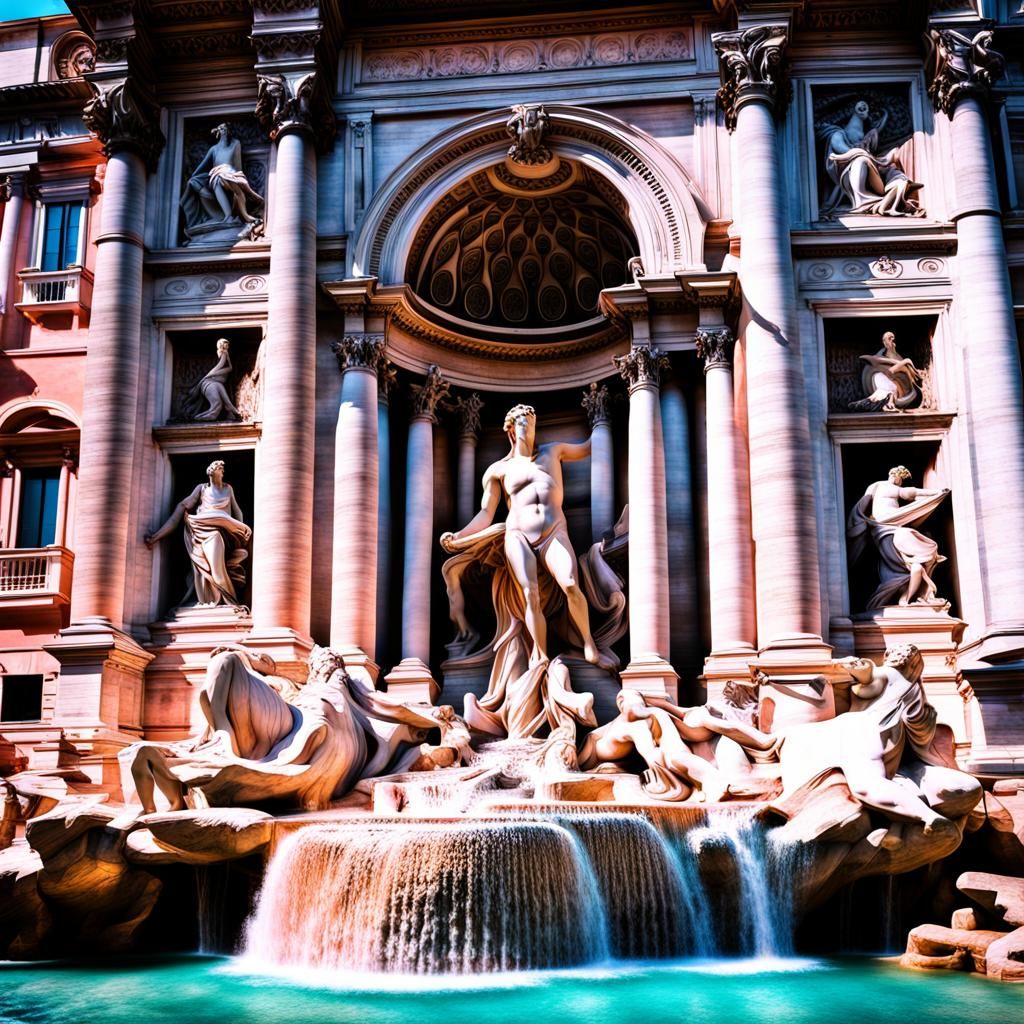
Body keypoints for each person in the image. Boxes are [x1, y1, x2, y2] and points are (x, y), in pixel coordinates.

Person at [441, 403, 612, 670]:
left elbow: (590, 445)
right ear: (511, 429)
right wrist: (460, 535)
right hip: (517, 534)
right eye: (522, 421)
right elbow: (486, 513)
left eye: (531, 422)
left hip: (554, 530)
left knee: (569, 583)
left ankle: (589, 641)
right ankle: (540, 654)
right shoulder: (499, 470)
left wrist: (604, 416)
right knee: (529, 592)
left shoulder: (553, 451)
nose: (528, 427)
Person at [145, 459, 252, 607]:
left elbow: (237, 510)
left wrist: (240, 532)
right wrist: (157, 536)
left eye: (221, 469)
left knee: (216, 568)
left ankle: (230, 602)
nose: (222, 471)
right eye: (219, 469)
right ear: (212, 472)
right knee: (204, 568)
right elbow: (182, 506)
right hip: (200, 531)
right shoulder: (202, 489)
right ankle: (210, 600)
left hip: (218, 532)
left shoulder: (228, 489)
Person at [847, 466, 949, 609]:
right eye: (901, 480)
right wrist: (935, 492)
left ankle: (905, 598)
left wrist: (860, 521)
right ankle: (906, 594)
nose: (900, 483)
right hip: (887, 527)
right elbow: (911, 493)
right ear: (895, 476)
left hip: (884, 529)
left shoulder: (874, 486)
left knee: (911, 566)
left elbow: (862, 505)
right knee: (924, 548)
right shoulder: (886, 486)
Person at [818, 99, 923, 218]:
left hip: (872, 171)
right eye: (860, 105)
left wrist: (885, 115)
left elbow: (876, 130)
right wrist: (861, 154)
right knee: (861, 160)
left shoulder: (868, 139)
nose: (864, 106)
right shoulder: (837, 134)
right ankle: (861, 202)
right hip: (848, 171)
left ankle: (900, 189)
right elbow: (842, 150)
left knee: (891, 166)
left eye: (866, 106)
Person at [180, 123, 263, 237]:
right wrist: (192, 177)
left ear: (229, 131)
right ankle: (228, 216)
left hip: (231, 173)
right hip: (216, 175)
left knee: (228, 182)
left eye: (226, 129)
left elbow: (238, 165)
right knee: (215, 179)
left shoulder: (235, 144)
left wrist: (238, 175)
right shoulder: (214, 149)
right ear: (218, 132)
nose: (224, 131)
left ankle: (243, 215)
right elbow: (202, 166)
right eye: (222, 129)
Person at [849, 331, 922, 412]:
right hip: (881, 377)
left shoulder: (897, 356)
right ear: (884, 342)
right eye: (889, 338)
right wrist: (906, 361)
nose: (892, 340)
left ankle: (869, 403)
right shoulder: (881, 355)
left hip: (896, 385)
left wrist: (906, 366)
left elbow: (902, 372)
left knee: (891, 389)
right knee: (891, 387)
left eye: (892, 338)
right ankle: (887, 404)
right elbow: (890, 370)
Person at [181, 338, 241, 422]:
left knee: (219, 405)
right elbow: (221, 365)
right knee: (217, 405)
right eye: (225, 343)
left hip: (215, 382)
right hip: (211, 382)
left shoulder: (225, 353)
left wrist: (212, 373)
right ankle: (196, 418)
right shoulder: (224, 353)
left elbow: (229, 368)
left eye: (227, 343)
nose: (227, 345)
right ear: (221, 345)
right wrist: (212, 373)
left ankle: (229, 408)